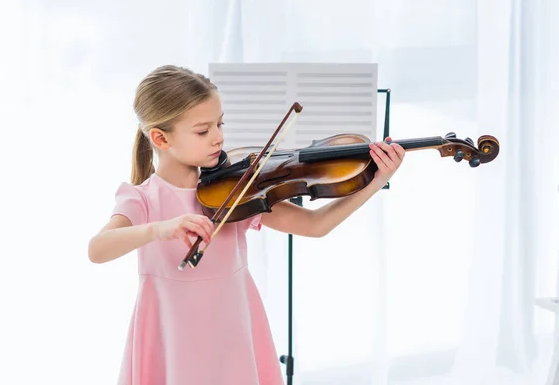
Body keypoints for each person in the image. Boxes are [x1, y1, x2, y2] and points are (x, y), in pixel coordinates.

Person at [88, 65, 405, 385]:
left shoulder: (236, 191)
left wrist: (375, 181)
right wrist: (161, 228)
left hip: (232, 333)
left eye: (219, 124)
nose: (219, 137)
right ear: (160, 138)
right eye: (203, 131)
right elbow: (97, 249)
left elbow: (315, 225)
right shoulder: (142, 198)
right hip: (171, 337)